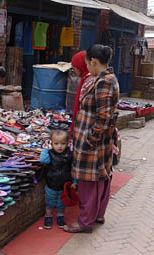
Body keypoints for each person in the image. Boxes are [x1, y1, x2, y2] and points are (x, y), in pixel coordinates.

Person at [64, 44, 119, 233]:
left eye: (88, 63)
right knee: (100, 179)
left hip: (93, 144)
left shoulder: (104, 82)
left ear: (93, 61)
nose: (86, 67)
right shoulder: (104, 78)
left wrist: (90, 139)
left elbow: (103, 117)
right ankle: (97, 215)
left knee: (89, 183)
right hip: (97, 142)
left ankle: (85, 221)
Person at [39, 129, 74, 229]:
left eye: (63, 143)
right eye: (56, 143)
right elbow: (42, 160)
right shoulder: (49, 153)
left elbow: (73, 169)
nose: (59, 146)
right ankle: (48, 216)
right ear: (51, 143)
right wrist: (46, 148)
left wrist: (74, 182)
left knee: (61, 203)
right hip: (51, 185)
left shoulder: (70, 155)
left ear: (67, 143)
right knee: (50, 202)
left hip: (64, 185)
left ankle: (60, 217)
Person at [70, 51, 94, 136]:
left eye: (74, 67)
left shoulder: (89, 81)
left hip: (87, 129)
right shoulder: (85, 79)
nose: (73, 70)